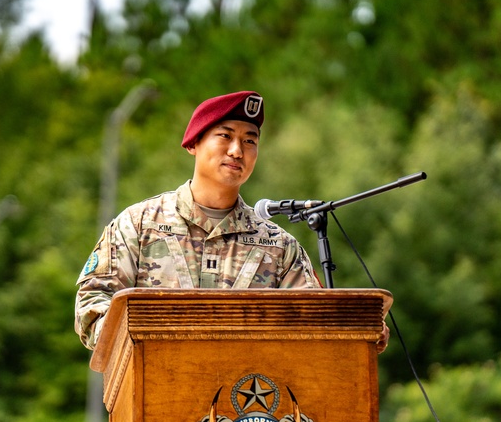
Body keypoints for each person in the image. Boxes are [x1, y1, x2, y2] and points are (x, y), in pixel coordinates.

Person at [74, 90, 323, 350]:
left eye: (250, 141)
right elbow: (92, 305)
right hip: (153, 383)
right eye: (225, 136)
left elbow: (314, 326)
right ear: (193, 143)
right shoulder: (139, 225)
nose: (237, 151)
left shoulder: (277, 246)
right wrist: (145, 342)